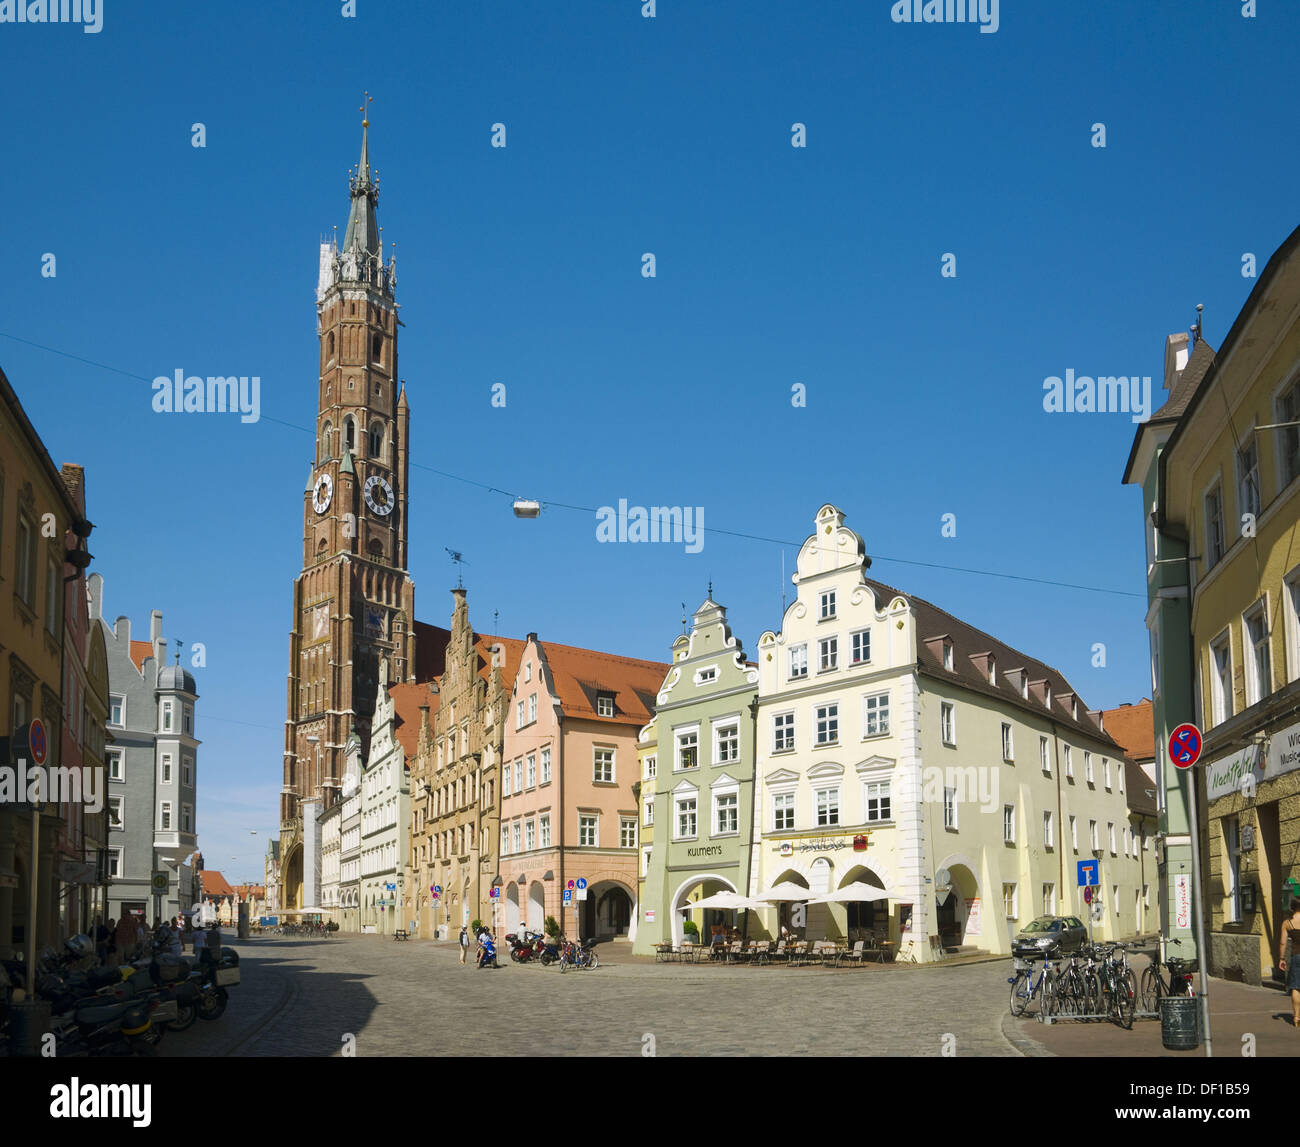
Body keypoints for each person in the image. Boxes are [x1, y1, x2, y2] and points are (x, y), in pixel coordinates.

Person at [1279, 898, 1300, 1028]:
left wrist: (1281, 958)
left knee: (1296, 987)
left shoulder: (1287, 923)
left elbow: (1283, 942)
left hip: (1296, 956)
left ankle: (1297, 1017)